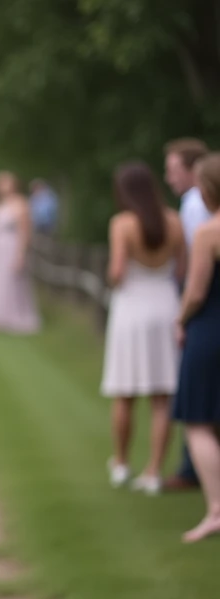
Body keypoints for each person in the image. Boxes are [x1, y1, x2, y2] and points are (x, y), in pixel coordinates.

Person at [100, 162, 186, 494]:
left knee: (125, 392)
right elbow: (181, 271)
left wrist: (112, 275)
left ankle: (121, 463)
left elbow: (118, 272)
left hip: (131, 309)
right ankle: (153, 471)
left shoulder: (122, 223)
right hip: (165, 305)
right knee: (161, 396)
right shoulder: (174, 221)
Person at [176, 153, 220, 542]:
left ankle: (216, 510)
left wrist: (180, 319)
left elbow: (195, 292)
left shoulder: (208, 232)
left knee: (199, 420)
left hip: (210, 329)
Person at [163, 138, 211, 492]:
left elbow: (196, 276)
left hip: (206, 304)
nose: (169, 178)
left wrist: (182, 318)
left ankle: (193, 471)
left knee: (196, 401)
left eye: (173, 170)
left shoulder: (196, 209)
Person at [0, 171, 41, 334]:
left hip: (11, 246)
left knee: (13, 282)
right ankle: (0, 317)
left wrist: (21, 254)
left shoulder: (21, 204)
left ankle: (17, 317)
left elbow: (25, 232)